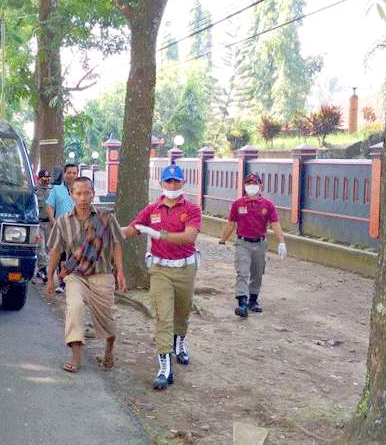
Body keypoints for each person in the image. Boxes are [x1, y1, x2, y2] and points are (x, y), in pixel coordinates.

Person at [123, 164, 201, 390]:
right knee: (163, 316)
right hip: (159, 270)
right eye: (169, 181)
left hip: (185, 269)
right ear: (161, 183)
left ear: (183, 183)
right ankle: (165, 368)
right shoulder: (152, 209)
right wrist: (110, 228)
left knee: (182, 312)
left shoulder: (192, 209)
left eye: (177, 181)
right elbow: (132, 229)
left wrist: (160, 234)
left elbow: (189, 237)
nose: (173, 185)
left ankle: (180, 342)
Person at [45, 176, 126, 373]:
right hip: (76, 275)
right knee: (74, 307)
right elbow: (56, 251)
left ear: (93, 194)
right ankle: (76, 356)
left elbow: (116, 244)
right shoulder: (63, 222)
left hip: (102, 274)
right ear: (71, 195)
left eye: (87, 193)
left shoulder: (106, 218)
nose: (83, 197)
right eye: (78, 193)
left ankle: (109, 350)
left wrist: (120, 272)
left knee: (107, 318)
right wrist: (50, 278)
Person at [218, 173, 287, 318]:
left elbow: (275, 224)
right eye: (248, 184)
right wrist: (222, 241)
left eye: (254, 183)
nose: (251, 186)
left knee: (257, 272)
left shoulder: (268, 205)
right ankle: (242, 302)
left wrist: (281, 242)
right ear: (244, 186)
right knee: (242, 272)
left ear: (260, 186)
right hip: (243, 243)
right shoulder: (238, 204)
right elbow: (231, 224)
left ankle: (253, 301)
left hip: (260, 243)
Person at [45, 163, 79, 293]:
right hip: (61, 227)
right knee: (61, 255)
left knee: (74, 255)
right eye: (69, 173)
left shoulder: (81, 190)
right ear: (64, 174)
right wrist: (53, 221)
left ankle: (73, 281)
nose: (71, 175)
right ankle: (62, 283)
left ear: (77, 174)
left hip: (77, 228)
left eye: (74, 173)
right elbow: (49, 206)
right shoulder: (56, 190)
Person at [34, 169, 52, 282]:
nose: (46, 181)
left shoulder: (52, 191)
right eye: (43, 179)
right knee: (40, 248)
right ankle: (43, 270)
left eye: (48, 179)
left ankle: (42, 269)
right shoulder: (35, 191)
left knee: (48, 247)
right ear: (39, 179)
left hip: (49, 223)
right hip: (39, 223)